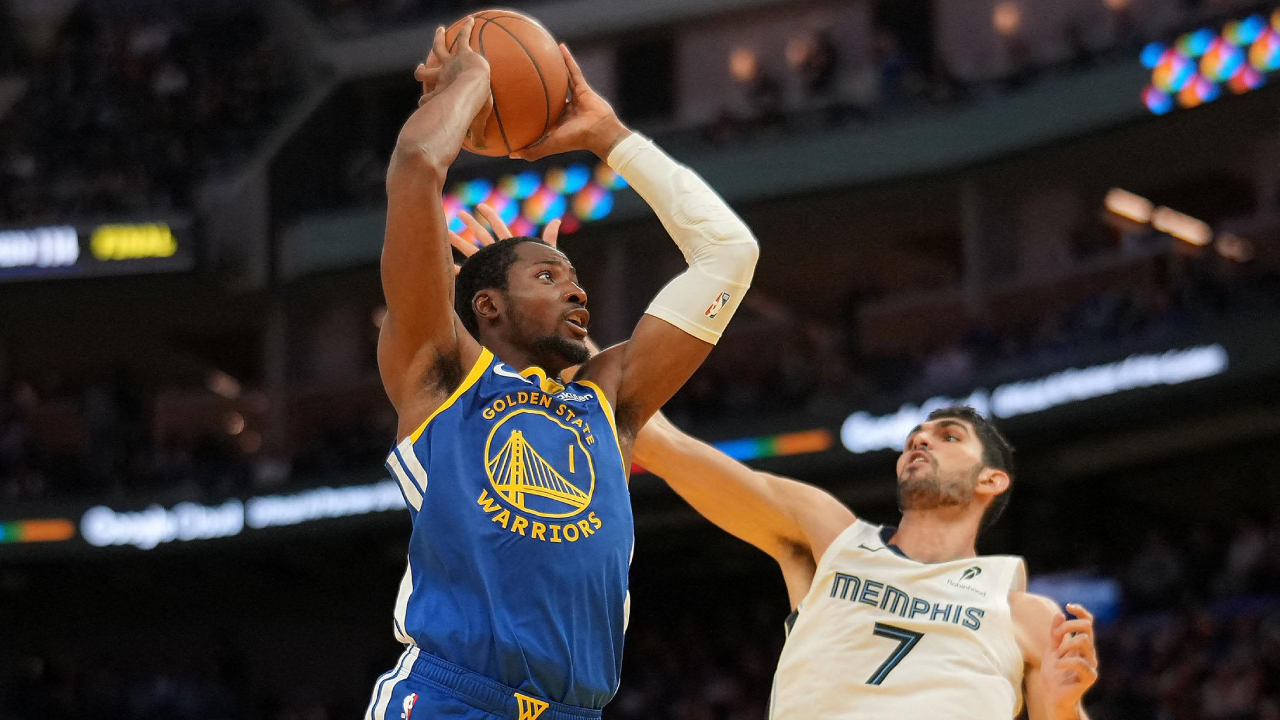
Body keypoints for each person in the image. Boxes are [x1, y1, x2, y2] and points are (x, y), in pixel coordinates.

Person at [368, 18, 759, 720]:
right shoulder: (441, 375)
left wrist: (612, 138)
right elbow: (417, 170)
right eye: (550, 274)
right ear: (486, 306)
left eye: (576, 278)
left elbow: (729, 256)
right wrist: (473, 80)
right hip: (453, 699)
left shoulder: (610, 400)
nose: (577, 290)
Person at [633, 407, 1099, 720]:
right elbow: (662, 445)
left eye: (948, 436)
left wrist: (1063, 707)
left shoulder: (1028, 616)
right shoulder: (831, 537)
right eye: (915, 437)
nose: (920, 441)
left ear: (992, 479)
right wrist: (560, 335)